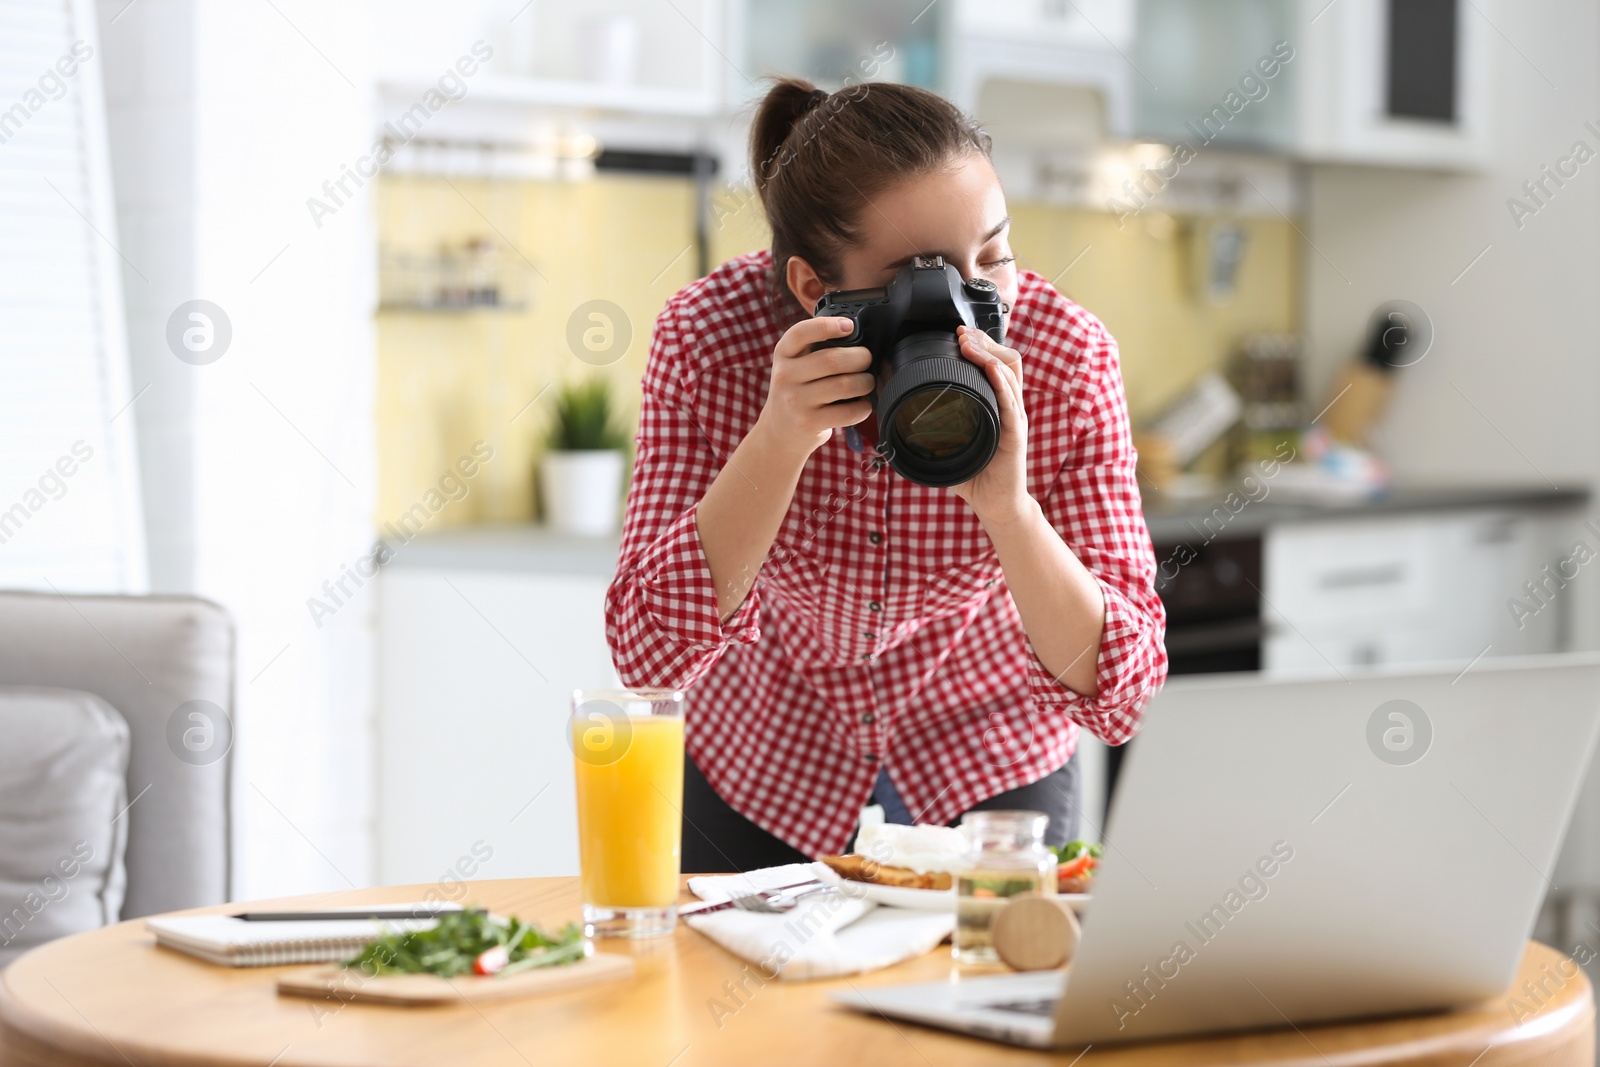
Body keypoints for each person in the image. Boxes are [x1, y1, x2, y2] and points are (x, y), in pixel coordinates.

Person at [605, 77, 1167, 872]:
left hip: (989, 740)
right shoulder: (710, 339)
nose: (965, 304)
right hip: (770, 749)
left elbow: (1127, 688)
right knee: (740, 993)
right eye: (919, 277)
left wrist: (1011, 512)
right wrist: (778, 442)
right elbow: (646, 653)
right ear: (813, 290)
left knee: (988, 985)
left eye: (995, 257)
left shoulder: (1066, 356)